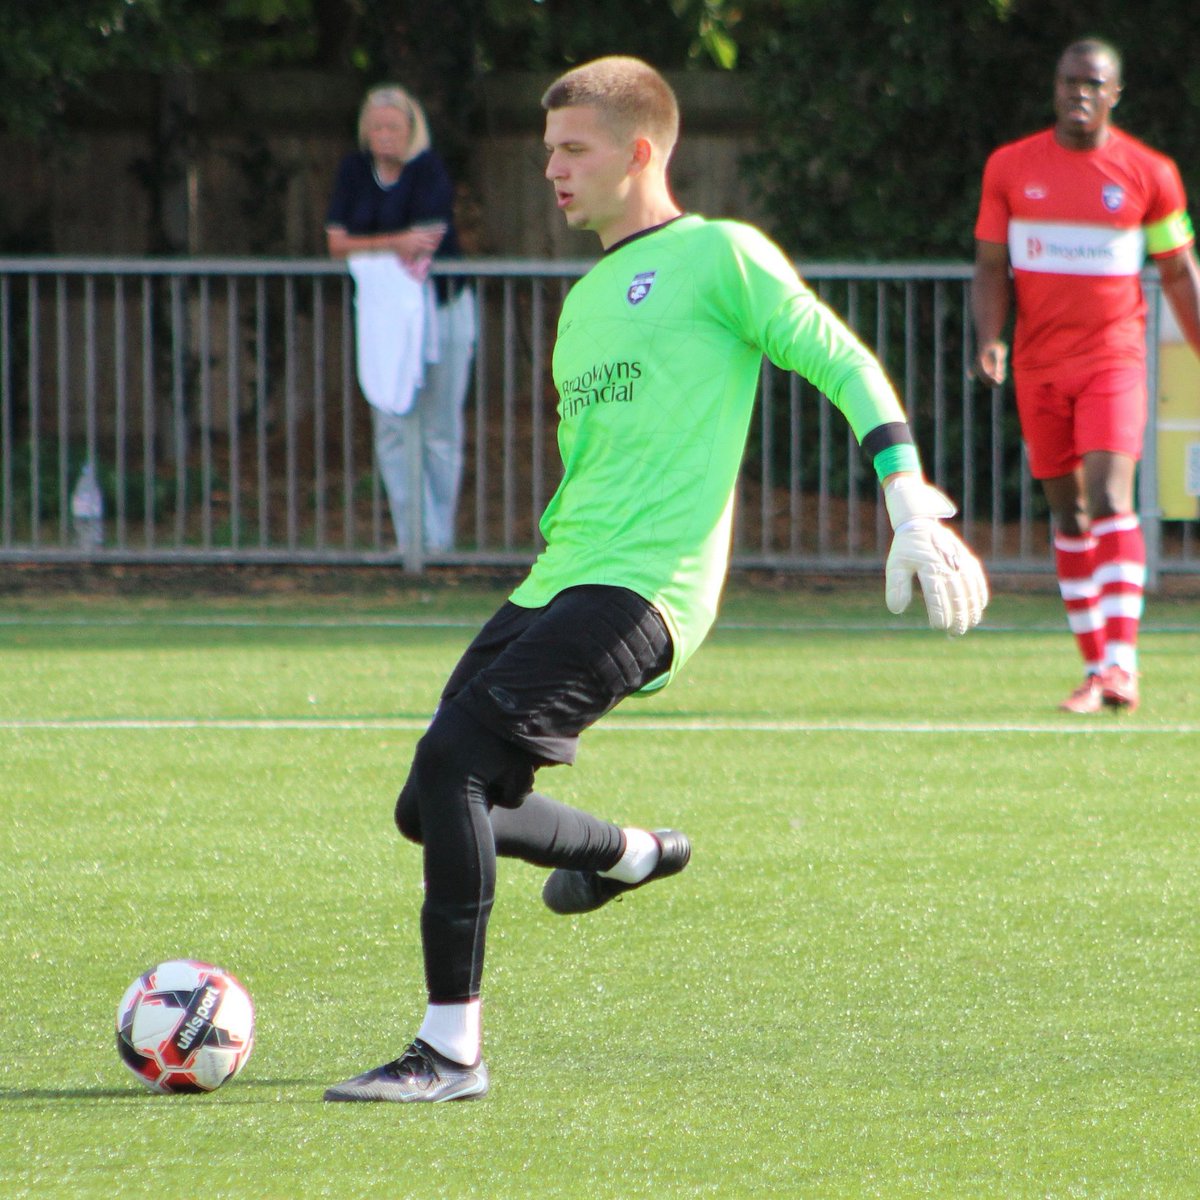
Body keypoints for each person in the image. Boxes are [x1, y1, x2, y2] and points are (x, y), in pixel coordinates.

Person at [324, 56, 988, 1104]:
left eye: (571, 150)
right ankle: (630, 853)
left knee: (456, 760)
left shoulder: (722, 256)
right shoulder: (585, 299)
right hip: (562, 576)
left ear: (639, 152)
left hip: (646, 590)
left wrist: (907, 497)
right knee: (432, 804)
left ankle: (450, 1052)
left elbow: (843, 360)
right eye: (546, 151)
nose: (551, 169)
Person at [972, 38, 1200, 714]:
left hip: (1114, 359)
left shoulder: (1149, 173)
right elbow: (990, 266)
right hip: (1040, 364)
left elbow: (1179, 272)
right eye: (1068, 81)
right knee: (1067, 510)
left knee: (1108, 494)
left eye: (1092, 84)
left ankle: (1122, 665)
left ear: (1114, 94)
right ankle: (1096, 666)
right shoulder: (1011, 168)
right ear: (1055, 86)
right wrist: (990, 340)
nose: (1078, 93)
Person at [326, 84, 476, 554]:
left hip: (443, 308)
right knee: (392, 426)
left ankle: (440, 542)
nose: (383, 134)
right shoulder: (354, 171)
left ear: (412, 130)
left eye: (393, 126)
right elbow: (337, 243)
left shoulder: (428, 170)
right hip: (383, 316)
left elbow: (425, 240)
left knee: (439, 428)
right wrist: (392, 243)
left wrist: (372, 244)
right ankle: (414, 539)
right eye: (375, 127)